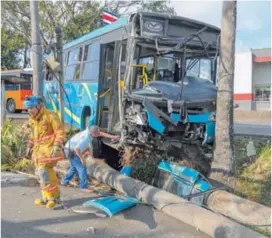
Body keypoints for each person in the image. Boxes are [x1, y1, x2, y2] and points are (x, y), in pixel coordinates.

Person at [24, 95, 65, 209]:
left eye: (31, 108)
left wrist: (57, 145)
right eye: (28, 109)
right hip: (38, 153)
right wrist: (29, 146)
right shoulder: (34, 120)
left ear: (38, 106)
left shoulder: (50, 115)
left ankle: (54, 198)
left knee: (44, 173)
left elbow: (60, 131)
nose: (29, 111)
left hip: (49, 150)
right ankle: (45, 197)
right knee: (40, 175)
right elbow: (34, 136)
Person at [61, 125, 120, 191]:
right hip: (70, 151)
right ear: (92, 133)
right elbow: (76, 149)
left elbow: (101, 133)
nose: (98, 135)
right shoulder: (86, 138)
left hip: (69, 148)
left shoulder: (90, 132)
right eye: (97, 134)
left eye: (98, 133)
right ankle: (83, 187)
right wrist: (82, 159)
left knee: (74, 167)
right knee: (82, 168)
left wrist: (113, 137)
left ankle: (64, 181)